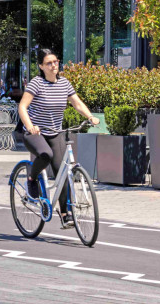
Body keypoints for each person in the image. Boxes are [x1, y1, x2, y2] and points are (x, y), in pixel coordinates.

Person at [18, 48, 99, 229]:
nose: (54, 65)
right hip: (35, 133)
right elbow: (22, 107)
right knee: (45, 154)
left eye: (55, 61)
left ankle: (65, 214)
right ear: (41, 66)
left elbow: (76, 103)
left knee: (62, 171)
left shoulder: (64, 83)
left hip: (55, 132)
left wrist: (90, 117)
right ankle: (31, 179)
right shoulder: (36, 83)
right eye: (49, 63)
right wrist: (31, 126)